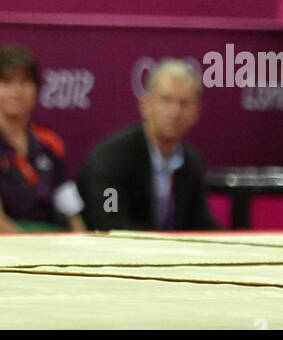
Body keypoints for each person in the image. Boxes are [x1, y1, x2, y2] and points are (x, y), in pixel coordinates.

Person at [0, 45, 87, 232]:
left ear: (37, 89)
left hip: (46, 238)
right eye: (6, 82)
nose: (16, 91)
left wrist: (81, 247)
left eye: (24, 82)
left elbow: (71, 210)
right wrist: (34, 255)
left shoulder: (49, 143)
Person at [77, 60, 221, 232]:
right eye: (166, 100)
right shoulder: (112, 160)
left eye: (184, 103)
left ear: (196, 112)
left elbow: (202, 223)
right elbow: (109, 221)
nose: (175, 112)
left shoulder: (191, 162)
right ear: (145, 105)